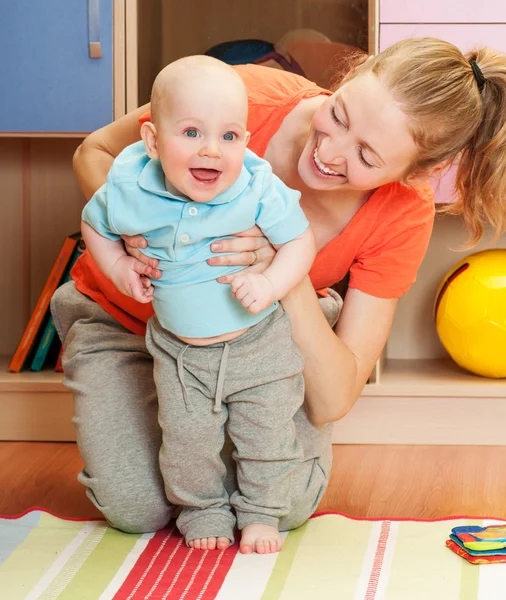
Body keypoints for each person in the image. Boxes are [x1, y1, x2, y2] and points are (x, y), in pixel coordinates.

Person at [51, 37, 506, 555]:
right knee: (138, 507)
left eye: (366, 155)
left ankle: (213, 445)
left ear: (416, 173)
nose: (330, 151)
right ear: (352, 74)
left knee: (280, 506)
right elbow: (95, 151)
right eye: (339, 114)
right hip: (127, 321)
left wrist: (283, 269)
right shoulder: (242, 99)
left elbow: (334, 397)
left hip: (259, 342)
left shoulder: (404, 213)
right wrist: (132, 240)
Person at [80, 55, 316, 554]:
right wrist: (120, 268)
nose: (212, 150)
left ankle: (259, 512)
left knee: (265, 433)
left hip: (259, 344)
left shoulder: (256, 186)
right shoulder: (130, 186)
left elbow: (300, 242)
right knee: (187, 440)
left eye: (229, 137)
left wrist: (272, 283)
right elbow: (94, 225)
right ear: (151, 141)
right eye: (191, 133)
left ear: (245, 143)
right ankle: (203, 508)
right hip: (179, 351)